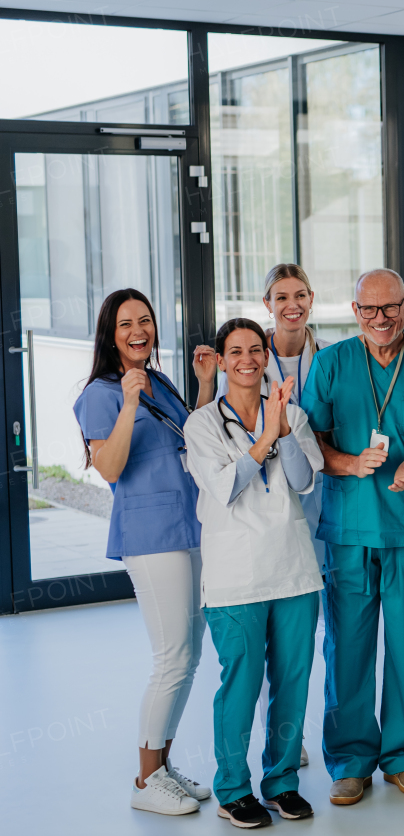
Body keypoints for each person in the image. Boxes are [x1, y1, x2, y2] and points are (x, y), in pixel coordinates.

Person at [301, 268, 404, 807]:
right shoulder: (331, 363)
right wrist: (346, 462)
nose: (380, 319)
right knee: (347, 647)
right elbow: (308, 442)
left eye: (389, 308)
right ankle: (349, 760)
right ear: (354, 310)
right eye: (368, 310)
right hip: (349, 529)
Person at [72, 288, 217, 815]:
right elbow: (108, 467)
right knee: (171, 657)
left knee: (190, 655)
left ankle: (164, 767)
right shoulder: (102, 393)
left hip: (190, 526)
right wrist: (129, 403)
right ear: (110, 334)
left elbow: (195, 438)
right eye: (126, 323)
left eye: (146, 320)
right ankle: (144, 783)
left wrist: (203, 386)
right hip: (151, 536)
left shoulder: (161, 380)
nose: (139, 330)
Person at [185, 319, 325, 828]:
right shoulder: (201, 424)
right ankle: (231, 789)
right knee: (241, 684)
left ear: (267, 357)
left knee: (292, 683)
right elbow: (226, 486)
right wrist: (266, 434)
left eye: (256, 350)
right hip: (235, 575)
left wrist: (283, 430)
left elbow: (305, 480)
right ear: (221, 361)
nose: (248, 359)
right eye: (236, 351)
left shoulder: (294, 415)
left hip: (293, 571)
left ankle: (282, 783)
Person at [218, 263, 331, 769]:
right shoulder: (250, 358)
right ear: (267, 303)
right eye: (281, 296)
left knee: (309, 642)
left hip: (320, 507)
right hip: (263, 514)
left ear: (312, 299)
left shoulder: (329, 359)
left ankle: (312, 736)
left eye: (300, 295)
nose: (292, 304)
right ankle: (282, 741)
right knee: (269, 639)